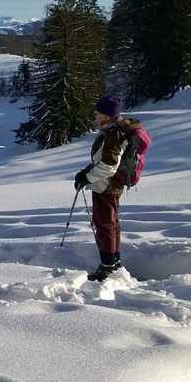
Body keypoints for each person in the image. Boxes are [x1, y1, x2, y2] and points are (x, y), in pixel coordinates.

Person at [73, 95, 143, 281]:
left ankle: (107, 267)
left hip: (107, 185)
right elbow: (102, 160)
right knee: (109, 223)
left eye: (98, 113)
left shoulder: (114, 135)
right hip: (108, 184)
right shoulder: (113, 131)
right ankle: (114, 262)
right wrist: (86, 172)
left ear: (106, 115)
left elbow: (109, 166)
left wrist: (87, 177)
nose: (95, 116)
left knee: (105, 224)